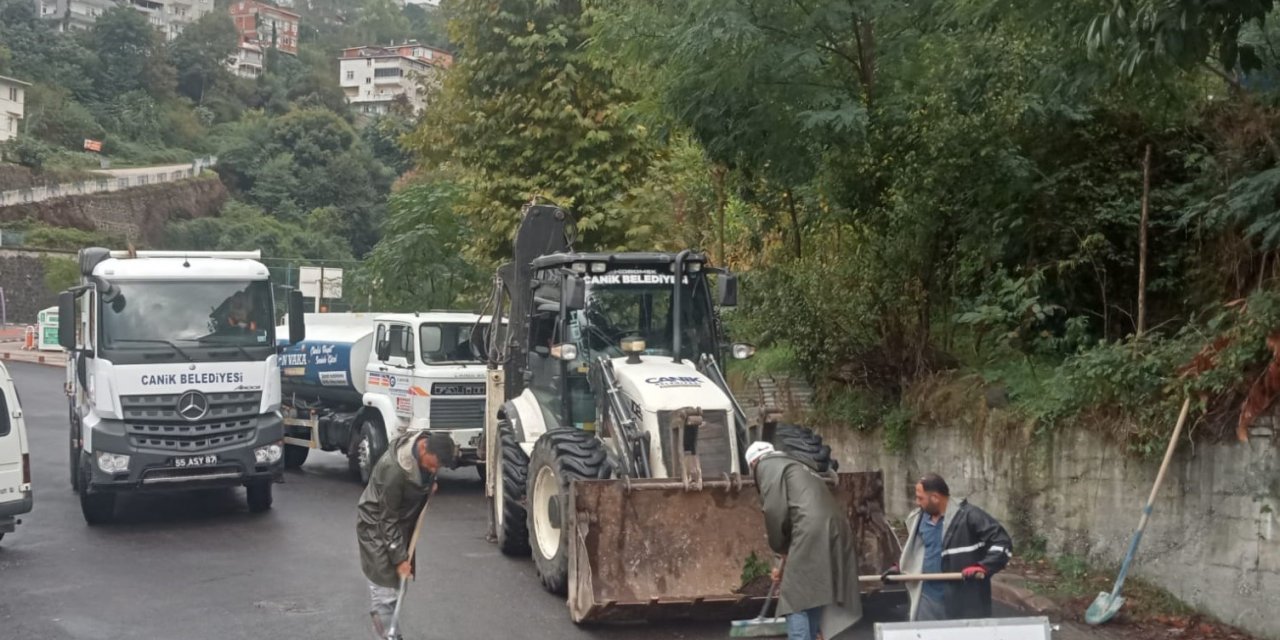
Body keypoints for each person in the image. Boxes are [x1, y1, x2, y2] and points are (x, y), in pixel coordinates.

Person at [746, 441, 862, 640]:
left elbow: (774, 510)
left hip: (811, 528)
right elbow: (796, 510)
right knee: (813, 590)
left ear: (753, 463)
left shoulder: (766, 466)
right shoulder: (796, 464)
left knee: (794, 596)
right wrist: (781, 559)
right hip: (835, 527)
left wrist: (779, 549)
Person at [356, 431, 456, 639]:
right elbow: (387, 518)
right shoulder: (395, 470)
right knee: (384, 590)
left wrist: (427, 484)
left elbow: (426, 472)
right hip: (376, 526)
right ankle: (389, 635)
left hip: (399, 524)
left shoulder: (427, 449)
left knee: (396, 587)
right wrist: (400, 558)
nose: (434, 469)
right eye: (433, 465)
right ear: (423, 448)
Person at [882, 473, 1013, 621]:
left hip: (962, 600)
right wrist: (901, 567)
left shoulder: (969, 516)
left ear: (935, 498)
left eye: (920, 498)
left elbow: (1002, 543)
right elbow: (918, 550)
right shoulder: (918, 519)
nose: (917, 502)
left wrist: (984, 566)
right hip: (927, 597)